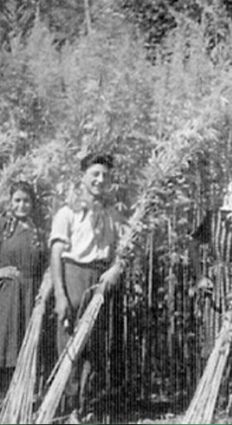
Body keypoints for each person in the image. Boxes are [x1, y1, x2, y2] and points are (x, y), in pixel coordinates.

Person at [49, 153, 125, 421]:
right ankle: (67, 408)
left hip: (101, 280)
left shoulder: (112, 214)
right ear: (83, 177)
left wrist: (116, 269)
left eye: (105, 175)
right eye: (95, 174)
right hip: (74, 276)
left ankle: (84, 407)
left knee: (94, 344)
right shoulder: (68, 212)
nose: (100, 180)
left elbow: (122, 251)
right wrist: (60, 295)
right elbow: (56, 255)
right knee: (70, 341)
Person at [189, 173, 232, 412]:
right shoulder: (214, 217)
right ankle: (209, 400)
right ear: (229, 189)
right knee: (215, 341)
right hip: (217, 286)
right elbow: (194, 244)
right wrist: (200, 277)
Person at [0, 182, 48, 396]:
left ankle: (21, 402)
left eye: (26, 200)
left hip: (32, 296)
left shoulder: (40, 231)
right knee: (5, 345)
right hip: (7, 296)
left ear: (33, 203)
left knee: (26, 348)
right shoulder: (3, 228)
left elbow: (49, 265)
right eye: (17, 200)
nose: (22, 205)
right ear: (10, 203)